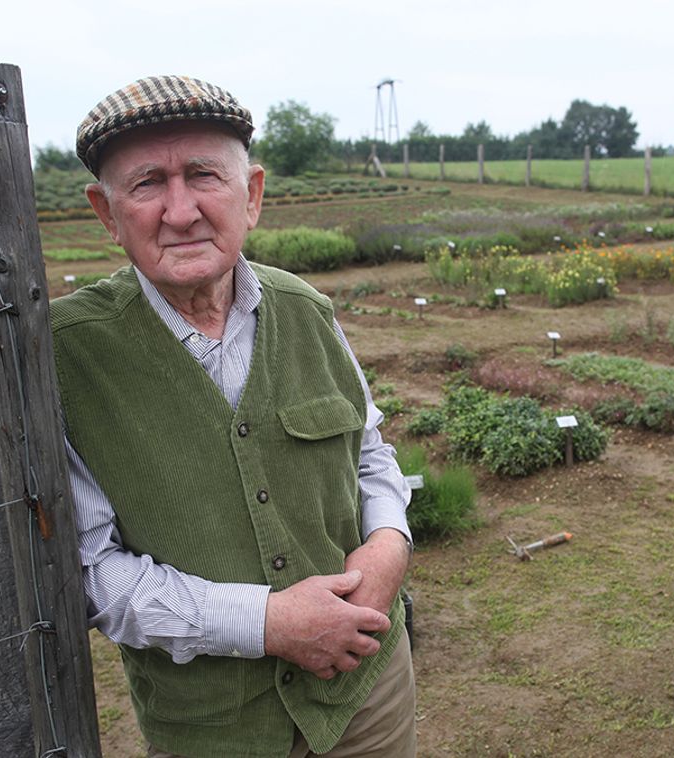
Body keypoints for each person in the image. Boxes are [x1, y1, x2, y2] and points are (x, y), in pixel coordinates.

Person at [51, 76, 415, 757]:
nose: (181, 210)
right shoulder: (65, 355)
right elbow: (90, 569)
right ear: (106, 211)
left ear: (251, 195)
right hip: (212, 727)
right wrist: (268, 623)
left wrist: (389, 542)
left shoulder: (305, 308)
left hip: (364, 693)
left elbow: (369, 455)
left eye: (203, 176)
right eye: (148, 183)